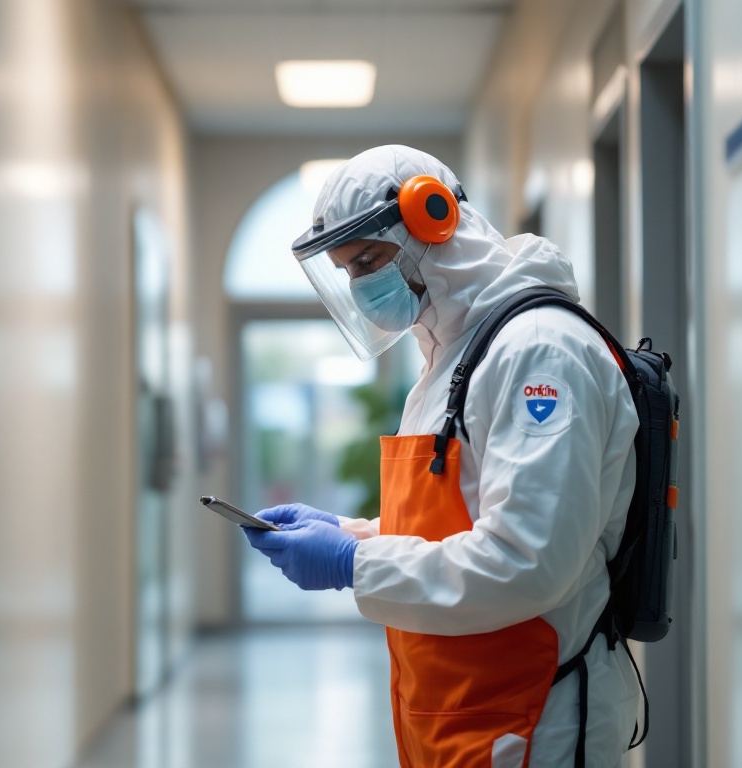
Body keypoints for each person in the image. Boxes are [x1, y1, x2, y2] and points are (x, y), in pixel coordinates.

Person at [242, 145, 641, 768]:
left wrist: (354, 563)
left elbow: (527, 560)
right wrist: (349, 533)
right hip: (462, 712)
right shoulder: (451, 357)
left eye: (369, 260)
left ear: (432, 220)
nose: (361, 285)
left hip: (535, 722)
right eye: (348, 271)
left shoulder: (538, 351)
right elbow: (457, 521)